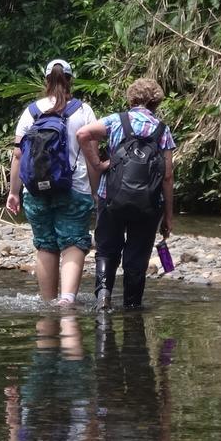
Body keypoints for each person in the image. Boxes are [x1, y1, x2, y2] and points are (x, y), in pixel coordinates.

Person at [76, 77, 176, 309]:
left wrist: (98, 164)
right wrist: (168, 215)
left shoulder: (116, 120)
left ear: (131, 98)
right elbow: (168, 176)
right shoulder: (162, 130)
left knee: (107, 249)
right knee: (138, 254)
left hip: (111, 196)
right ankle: (132, 307)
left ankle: (103, 297)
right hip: (148, 203)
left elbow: (82, 134)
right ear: (156, 103)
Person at [5, 59, 98, 305]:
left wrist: (14, 192)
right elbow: (92, 157)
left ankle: (47, 304)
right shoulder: (83, 111)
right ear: (70, 81)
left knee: (46, 246)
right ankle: (67, 301)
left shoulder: (31, 111)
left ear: (46, 81)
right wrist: (97, 192)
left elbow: (18, 154)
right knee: (73, 242)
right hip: (74, 188)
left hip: (35, 190)